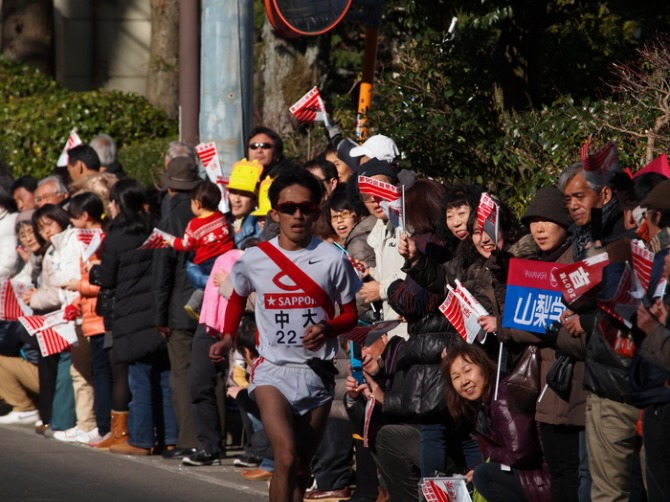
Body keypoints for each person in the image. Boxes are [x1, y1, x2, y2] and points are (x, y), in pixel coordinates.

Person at [209, 169, 362, 501]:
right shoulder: (255, 259)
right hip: (272, 372)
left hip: (317, 374)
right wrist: (227, 336)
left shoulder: (332, 259)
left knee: (303, 467)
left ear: (315, 211)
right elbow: (236, 296)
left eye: (305, 208)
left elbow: (351, 314)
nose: (298, 215)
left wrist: (327, 327)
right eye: (289, 208)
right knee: (287, 458)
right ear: (274, 213)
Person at [96, 178, 178, 456]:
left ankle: (141, 440)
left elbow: (107, 279)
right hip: (159, 310)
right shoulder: (156, 231)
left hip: (131, 314)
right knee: (164, 376)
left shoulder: (115, 238)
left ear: (119, 204)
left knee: (140, 378)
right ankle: (169, 437)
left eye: (111, 201)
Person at [443, 343, 551, 502]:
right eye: (456, 377)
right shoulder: (486, 402)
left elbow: (520, 454)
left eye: (467, 371)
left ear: (483, 366)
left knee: (484, 475)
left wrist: (489, 452)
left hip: (545, 481)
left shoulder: (501, 397)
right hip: (534, 477)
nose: (464, 381)